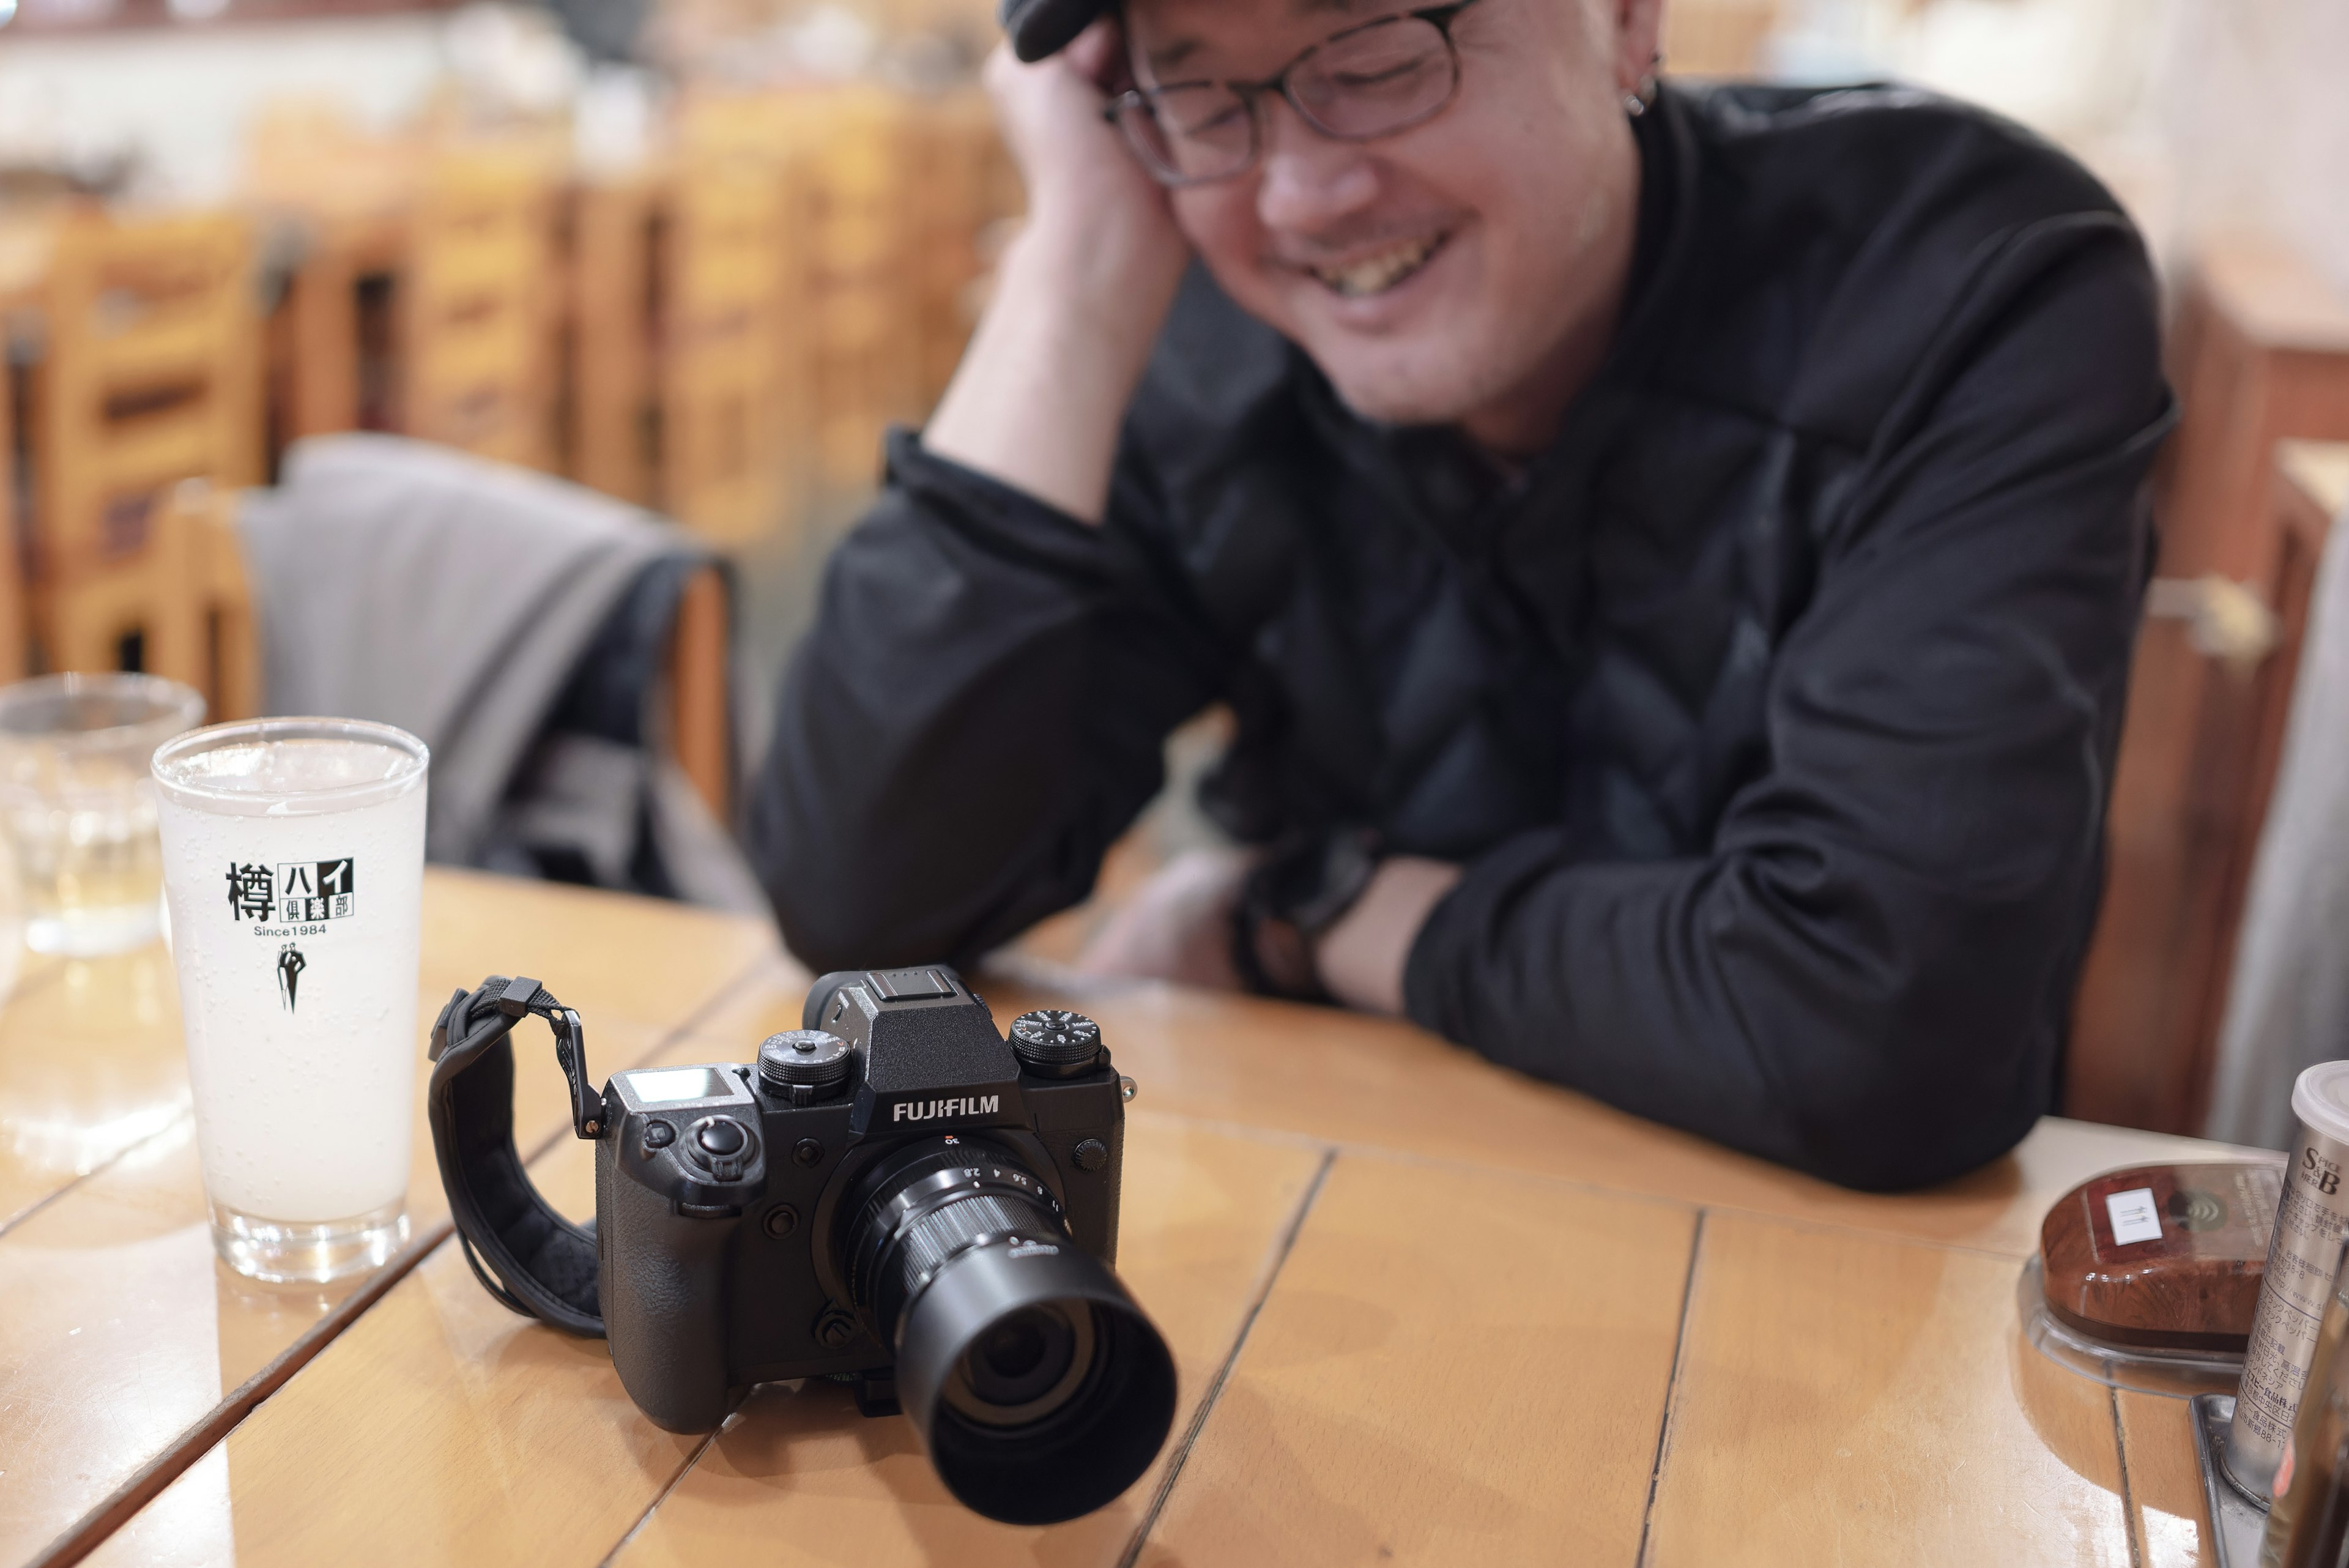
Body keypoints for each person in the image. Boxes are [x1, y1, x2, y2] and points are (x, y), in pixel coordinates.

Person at [749, 0, 2173, 1189]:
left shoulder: (1964, 288)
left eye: (1378, 60)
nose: (1302, 197)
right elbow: (865, 895)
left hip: (1819, 1303)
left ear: (1624, 21)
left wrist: (1323, 908)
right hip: (1335, 1225)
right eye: (1198, 97)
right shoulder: (1204, 341)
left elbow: (1885, 1031)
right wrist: (1076, 264)